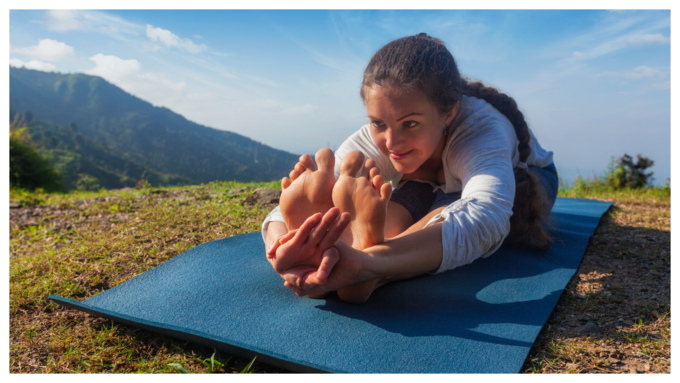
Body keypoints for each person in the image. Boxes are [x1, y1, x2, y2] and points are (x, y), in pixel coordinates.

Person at [262, 33, 558, 304]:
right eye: (378, 123)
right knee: (402, 193)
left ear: (450, 112)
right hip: (421, 177)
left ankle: (372, 268)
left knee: (451, 203)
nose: (391, 142)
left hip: (524, 180)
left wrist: (368, 264)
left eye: (410, 124)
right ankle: (362, 252)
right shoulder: (375, 136)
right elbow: (300, 196)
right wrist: (283, 248)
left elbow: (486, 214)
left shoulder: (481, 129)